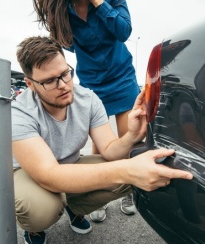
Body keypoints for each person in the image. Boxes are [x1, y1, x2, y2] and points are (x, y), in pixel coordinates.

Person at [12, 36, 193, 244]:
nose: (63, 86)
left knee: (130, 170)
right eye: (50, 81)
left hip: (69, 165)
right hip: (30, 173)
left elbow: (109, 151)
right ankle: (34, 228)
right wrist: (126, 170)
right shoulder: (19, 112)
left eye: (65, 74)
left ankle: (75, 208)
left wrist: (132, 135)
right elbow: (48, 175)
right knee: (41, 209)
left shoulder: (87, 98)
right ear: (30, 84)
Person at [32, 0, 140, 222]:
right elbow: (67, 44)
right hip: (92, 80)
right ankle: (96, 194)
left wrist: (99, 3)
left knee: (129, 137)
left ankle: (130, 192)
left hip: (122, 76)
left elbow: (123, 31)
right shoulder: (64, 11)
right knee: (100, 142)